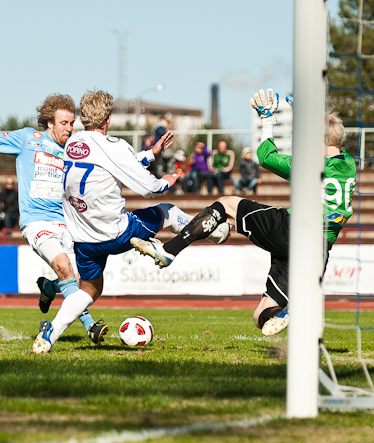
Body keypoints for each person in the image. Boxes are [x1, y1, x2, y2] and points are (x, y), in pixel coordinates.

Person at [131, 88, 356, 337]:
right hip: (318, 250)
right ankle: (289, 310)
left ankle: (169, 250)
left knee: (227, 203)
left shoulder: (309, 164)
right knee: (261, 315)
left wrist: (267, 120)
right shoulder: (349, 165)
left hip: (294, 230)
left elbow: (265, 156)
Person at [32, 90, 230, 353]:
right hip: (118, 232)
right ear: (109, 119)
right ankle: (204, 237)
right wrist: (165, 182)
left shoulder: (72, 143)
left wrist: (151, 153)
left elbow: (112, 164)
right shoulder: (114, 146)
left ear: (83, 118)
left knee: (89, 291)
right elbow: (147, 188)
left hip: (84, 239)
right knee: (168, 211)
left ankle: (50, 335)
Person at [0, 93, 104, 345]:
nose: (69, 128)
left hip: (67, 224)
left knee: (79, 282)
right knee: (64, 266)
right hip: (37, 222)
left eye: (72, 123)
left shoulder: (74, 151)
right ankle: (90, 326)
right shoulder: (28, 138)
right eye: (64, 123)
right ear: (50, 123)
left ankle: (50, 289)